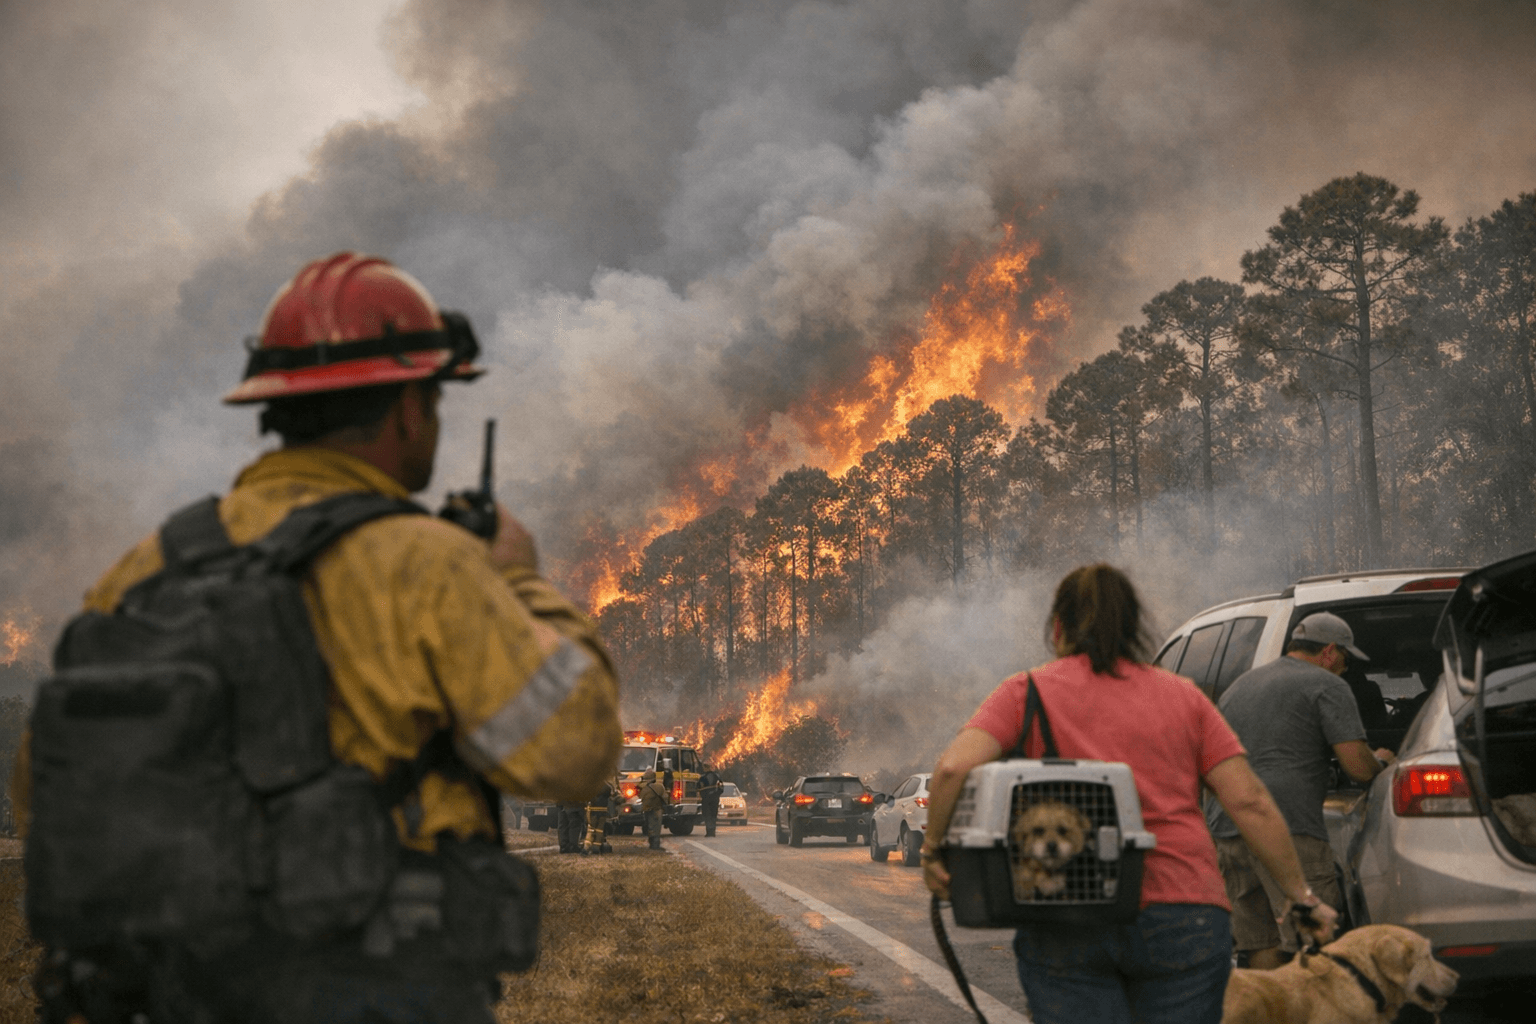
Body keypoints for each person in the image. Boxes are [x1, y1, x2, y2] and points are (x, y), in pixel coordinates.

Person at [14, 252, 622, 1023]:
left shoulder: (143, 570)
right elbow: (574, 753)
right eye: (433, 399)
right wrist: (519, 580)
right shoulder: (423, 563)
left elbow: (47, 793)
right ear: (409, 407)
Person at [922, 564, 1336, 1024]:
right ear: (1133, 627)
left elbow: (953, 768)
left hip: (1067, 912)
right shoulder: (1185, 697)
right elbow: (1249, 802)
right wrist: (1301, 895)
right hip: (1185, 911)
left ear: (1058, 627)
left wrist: (933, 851)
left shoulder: (1026, 692)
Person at [1206, 611, 1396, 969]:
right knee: (1312, 945)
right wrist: (1382, 762)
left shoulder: (1240, 686)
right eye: (1344, 657)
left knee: (1259, 944)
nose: (1345, 667)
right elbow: (1357, 767)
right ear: (1328, 651)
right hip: (1288, 830)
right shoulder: (1328, 686)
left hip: (1229, 832)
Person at [640, 768, 669, 850]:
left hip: (646, 810)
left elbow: (640, 798)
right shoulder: (659, 787)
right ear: (654, 778)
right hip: (657, 809)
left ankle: (651, 843)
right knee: (657, 827)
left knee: (650, 827)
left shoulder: (643, 788)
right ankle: (655, 845)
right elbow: (665, 797)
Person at [698, 766, 723, 837]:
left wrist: (703, 794)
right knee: (713, 815)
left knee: (707, 815)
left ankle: (709, 832)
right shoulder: (717, 777)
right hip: (714, 799)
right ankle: (712, 831)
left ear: (706, 768)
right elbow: (721, 788)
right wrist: (717, 794)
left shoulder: (702, 778)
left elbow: (698, 787)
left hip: (706, 799)